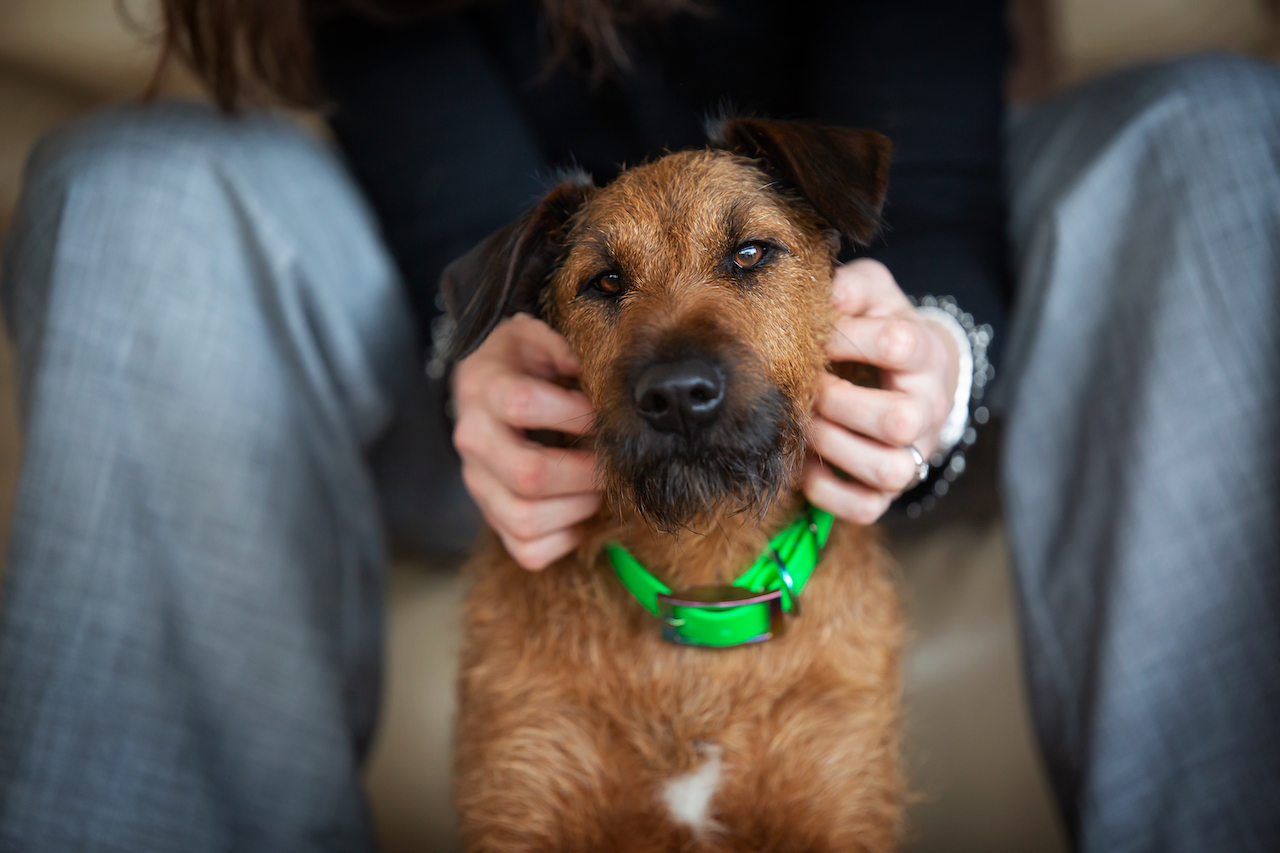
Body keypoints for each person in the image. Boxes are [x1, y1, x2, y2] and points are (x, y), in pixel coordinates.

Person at [0, 0, 1275, 850]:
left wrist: (935, 344)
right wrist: (479, 363)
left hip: (863, 368)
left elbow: (919, 177)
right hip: (477, 363)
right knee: (131, 192)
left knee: (1214, 131)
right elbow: (457, 202)